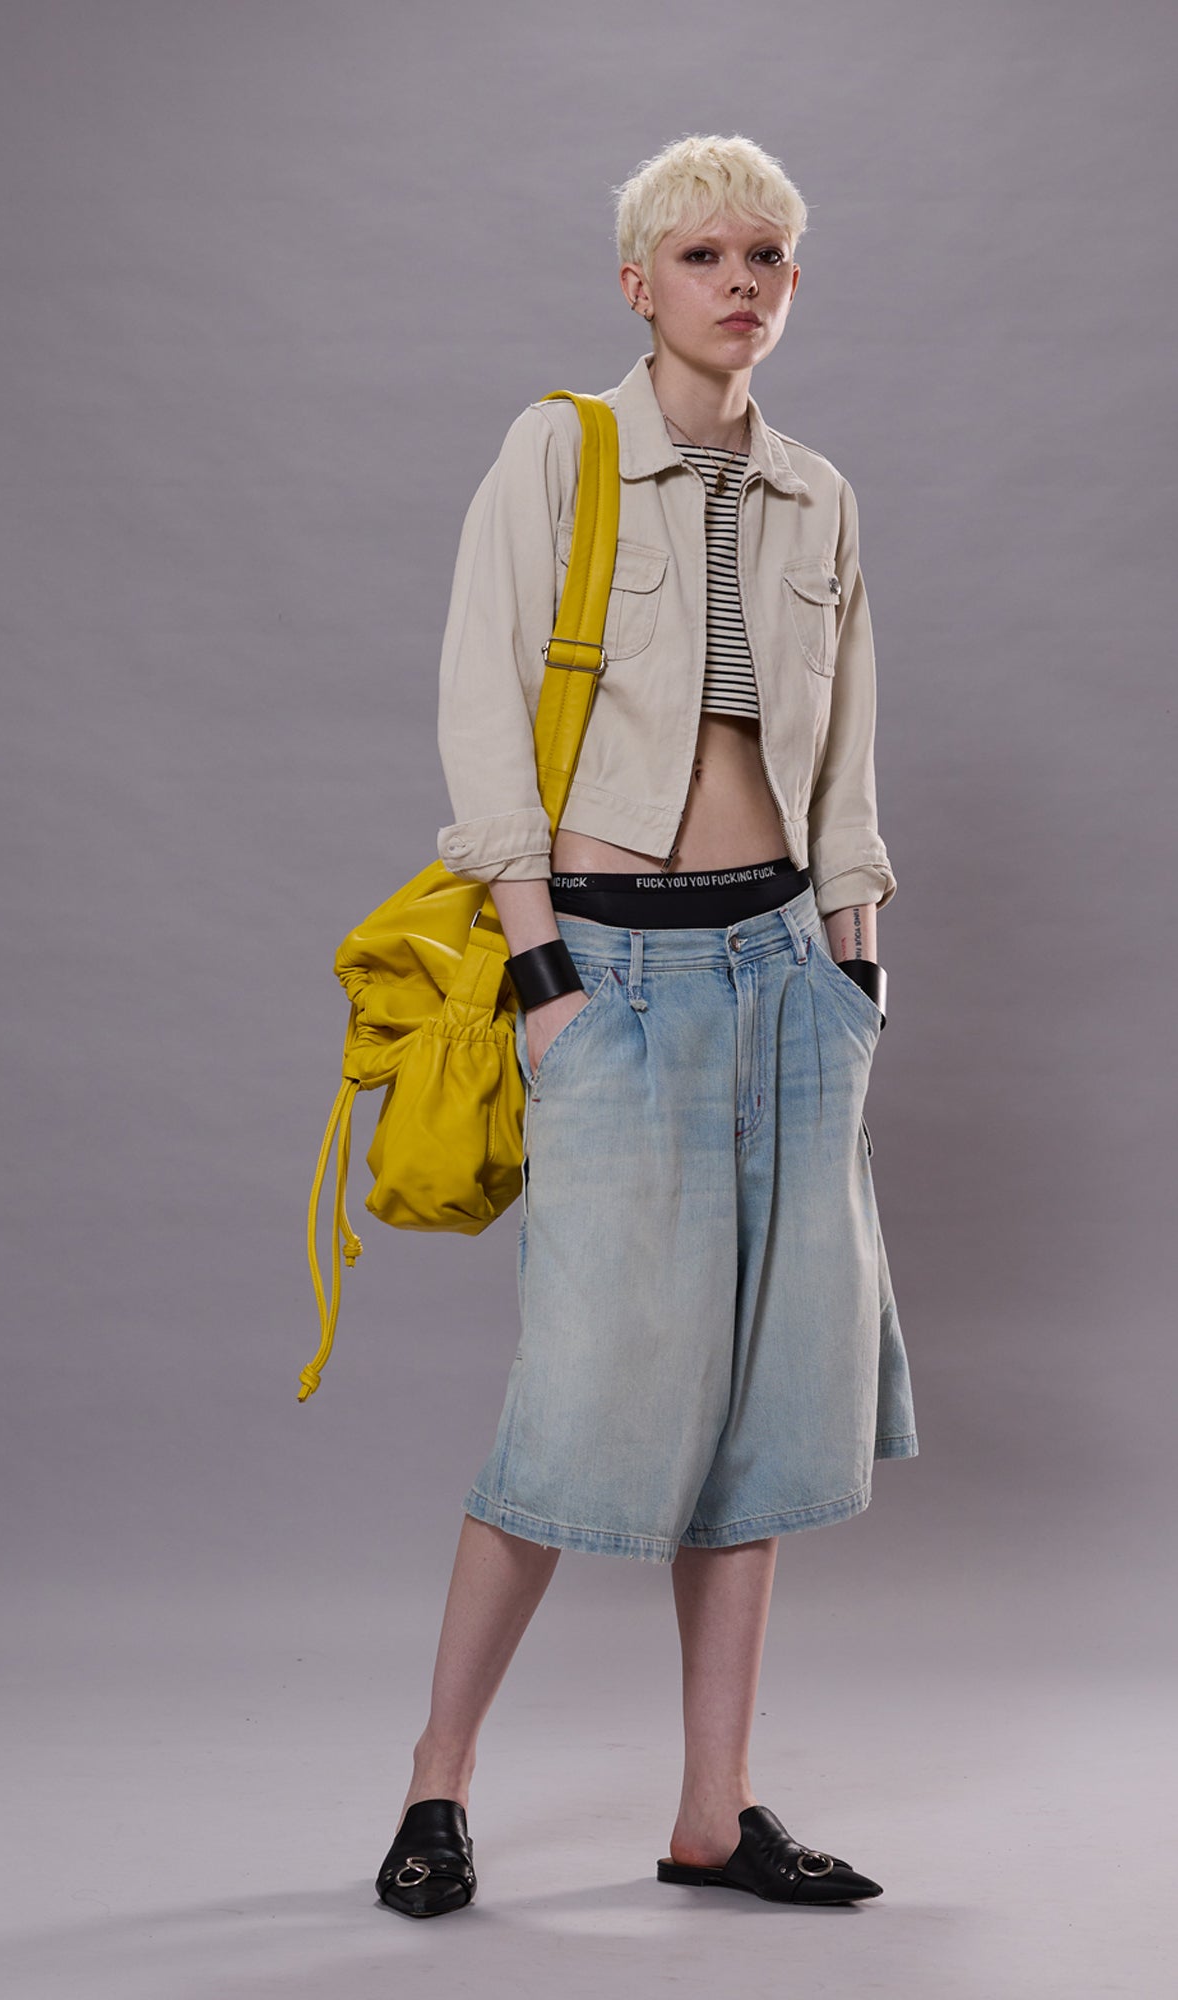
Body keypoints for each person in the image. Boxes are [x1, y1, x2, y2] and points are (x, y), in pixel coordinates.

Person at [374, 133, 919, 1919]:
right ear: (637, 283)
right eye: (702, 255)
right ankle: (438, 1785)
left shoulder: (818, 495)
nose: (739, 282)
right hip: (608, 976)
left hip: (787, 977)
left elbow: (844, 765)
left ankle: (710, 1814)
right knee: (572, 1409)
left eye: (767, 256)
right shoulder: (563, 451)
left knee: (761, 1414)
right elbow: (481, 710)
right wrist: (542, 978)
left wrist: (854, 973)